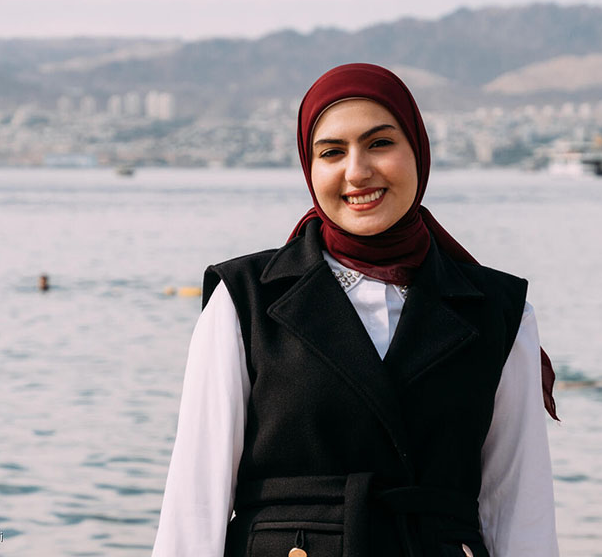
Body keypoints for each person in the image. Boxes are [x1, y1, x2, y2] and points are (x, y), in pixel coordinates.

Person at [152, 64, 559, 557]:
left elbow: (519, 512)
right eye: (331, 152)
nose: (357, 171)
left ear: (418, 151)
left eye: (380, 143)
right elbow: (196, 502)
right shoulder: (244, 299)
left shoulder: (498, 311)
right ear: (309, 168)